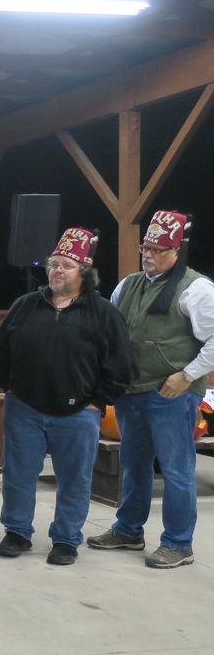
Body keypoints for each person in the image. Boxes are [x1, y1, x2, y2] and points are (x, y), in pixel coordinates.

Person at [0, 228, 132, 566]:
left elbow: (120, 364)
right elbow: (2, 350)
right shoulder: (25, 306)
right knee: (17, 474)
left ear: (83, 271)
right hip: (23, 408)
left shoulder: (103, 313)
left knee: (75, 479)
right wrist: (9, 386)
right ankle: (17, 532)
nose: (57, 270)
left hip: (78, 413)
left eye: (66, 265)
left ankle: (66, 539)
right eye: (53, 264)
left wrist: (98, 402)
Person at [87, 211, 214, 569]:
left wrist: (187, 376)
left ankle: (178, 543)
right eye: (146, 248)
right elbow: (110, 331)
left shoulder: (196, 288)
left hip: (172, 393)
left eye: (159, 249)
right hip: (131, 392)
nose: (149, 255)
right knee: (134, 464)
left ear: (176, 251)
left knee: (176, 469)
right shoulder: (127, 285)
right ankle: (128, 529)